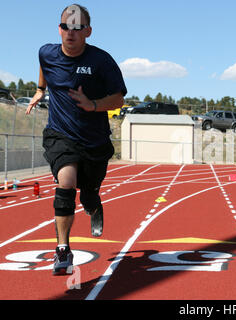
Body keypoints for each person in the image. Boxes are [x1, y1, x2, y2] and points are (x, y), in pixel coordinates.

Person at [26, 4, 127, 275]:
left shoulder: (102, 61)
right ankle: (62, 250)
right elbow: (44, 65)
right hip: (60, 135)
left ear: (88, 31)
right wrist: (39, 89)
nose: (70, 33)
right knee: (66, 182)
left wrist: (92, 104)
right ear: (59, 29)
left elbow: (118, 98)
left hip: (95, 141)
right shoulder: (46, 52)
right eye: (65, 27)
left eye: (76, 28)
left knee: (89, 193)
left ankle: (94, 204)